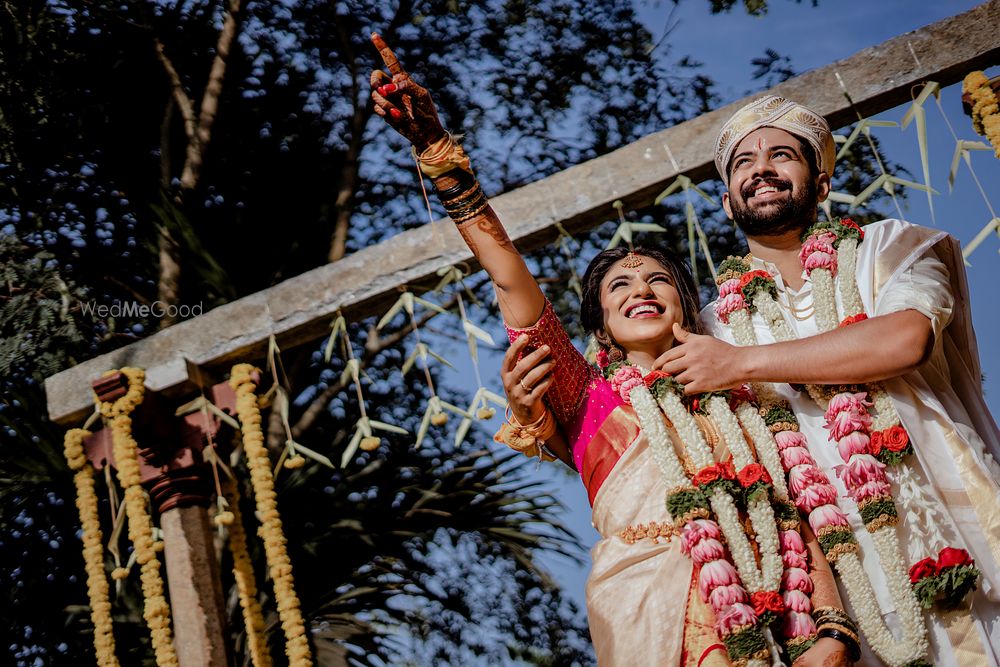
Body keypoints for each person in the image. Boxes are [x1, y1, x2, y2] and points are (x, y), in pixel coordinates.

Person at [370, 37, 854, 666]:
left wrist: (834, 630)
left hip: (780, 608)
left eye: (658, 280)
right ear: (600, 327)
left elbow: (791, 508)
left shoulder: (741, 388)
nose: (641, 291)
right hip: (649, 607)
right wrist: (439, 156)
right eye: (619, 287)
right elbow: (507, 273)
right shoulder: (581, 393)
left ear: (687, 305)